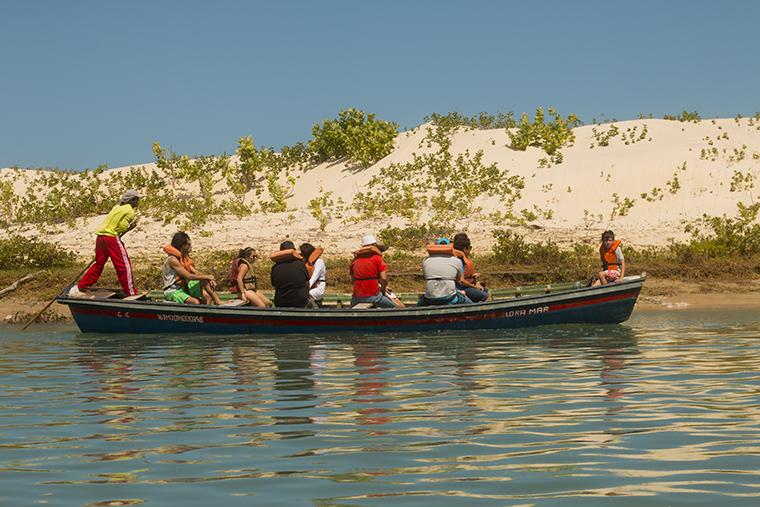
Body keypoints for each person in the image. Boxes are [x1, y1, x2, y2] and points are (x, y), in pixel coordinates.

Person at [68, 189, 142, 298]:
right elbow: (121, 227)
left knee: (99, 263)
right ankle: (131, 291)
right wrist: (130, 228)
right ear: (132, 200)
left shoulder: (116, 207)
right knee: (123, 264)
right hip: (111, 237)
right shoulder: (130, 211)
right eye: (137, 199)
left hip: (100, 237)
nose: (138, 202)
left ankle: (82, 285)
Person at [162, 231, 222, 305]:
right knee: (195, 302)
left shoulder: (183, 258)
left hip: (184, 287)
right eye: (188, 244)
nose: (190, 246)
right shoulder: (172, 259)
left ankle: (217, 303)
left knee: (207, 296)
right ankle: (196, 314)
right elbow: (188, 276)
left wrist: (209, 279)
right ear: (182, 245)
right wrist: (207, 276)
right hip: (173, 291)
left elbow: (195, 272)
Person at [418, 237, 472, 306]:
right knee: (469, 303)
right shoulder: (456, 261)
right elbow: (458, 280)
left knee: (419, 304)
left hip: (430, 298)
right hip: (450, 298)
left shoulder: (426, 260)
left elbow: (425, 277)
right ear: (450, 247)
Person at [350, 234, 396, 308]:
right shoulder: (377, 258)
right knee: (395, 307)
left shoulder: (354, 260)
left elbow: (352, 280)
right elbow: (383, 278)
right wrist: (383, 289)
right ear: (374, 245)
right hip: (373, 296)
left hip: (356, 298)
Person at [270, 240, 311, 308]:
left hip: (281, 302)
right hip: (300, 302)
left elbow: (275, 285)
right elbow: (307, 284)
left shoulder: (275, 267)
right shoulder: (300, 265)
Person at [453, 233, 491, 302]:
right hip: (461, 288)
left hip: (466, 286)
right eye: (470, 248)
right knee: (485, 296)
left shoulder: (461, 258)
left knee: (486, 291)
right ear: (464, 249)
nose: (471, 250)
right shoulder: (459, 260)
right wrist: (475, 286)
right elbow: (461, 281)